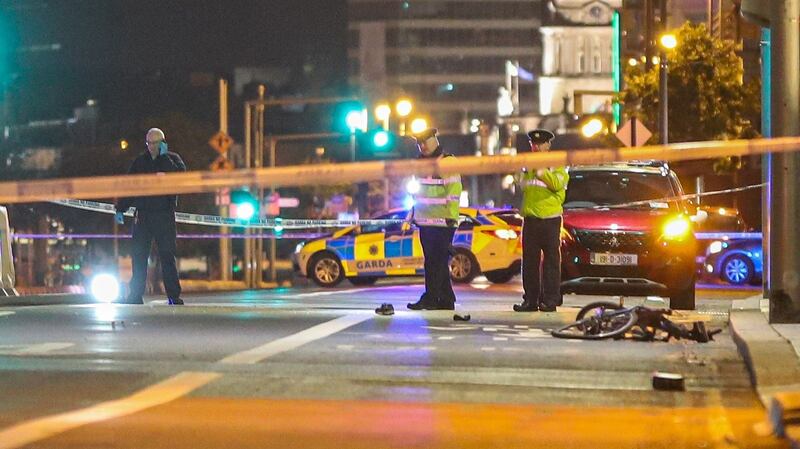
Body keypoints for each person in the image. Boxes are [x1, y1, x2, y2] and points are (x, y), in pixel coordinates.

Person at [115, 128, 186, 305]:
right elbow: (130, 186)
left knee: (167, 256)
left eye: (155, 143)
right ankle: (135, 295)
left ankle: (173, 296)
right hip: (144, 216)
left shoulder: (173, 160)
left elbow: (180, 179)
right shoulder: (140, 162)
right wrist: (121, 208)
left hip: (164, 216)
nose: (151, 147)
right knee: (138, 256)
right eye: (149, 143)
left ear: (163, 143)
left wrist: (164, 158)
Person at [406, 128, 463, 311]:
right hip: (425, 221)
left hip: (442, 221)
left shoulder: (447, 162)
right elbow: (417, 193)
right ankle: (446, 299)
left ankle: (431, 298)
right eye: (419, 143)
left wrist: (451, 218)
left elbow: (454, 192)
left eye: (424, 142)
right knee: (434, 261)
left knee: (435, 262)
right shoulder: (420, 164)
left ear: (434, 141)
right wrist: (413, 213)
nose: (422, 146)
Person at [514, 129, 569, 312]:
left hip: (550, 219)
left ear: (548, 145)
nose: (536, 147)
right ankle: (530, 299)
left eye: (540, 144)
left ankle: (550, 300)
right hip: (531, 219)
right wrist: (519, 176)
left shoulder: (557, 163)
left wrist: (540, 171)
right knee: (529, 262)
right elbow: (524, 187)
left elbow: (556, 183)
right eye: (533, 144)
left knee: (551, 262)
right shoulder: (527, 164)